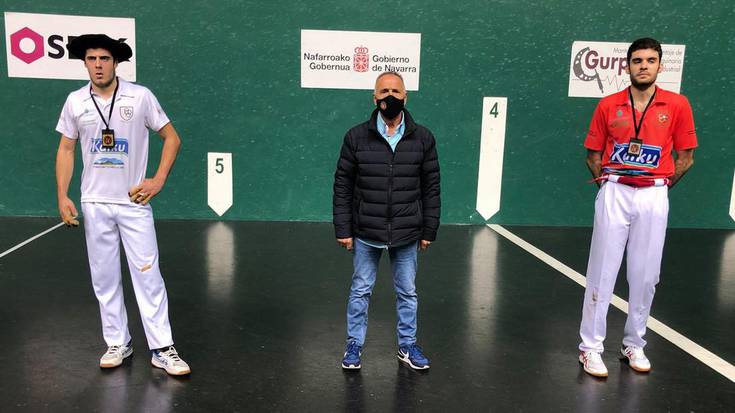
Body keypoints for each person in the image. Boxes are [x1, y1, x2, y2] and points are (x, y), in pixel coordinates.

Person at [55, 34, 190, 375]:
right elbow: (66, 149)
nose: (98, 65)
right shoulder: (75, 101)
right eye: (92, 59)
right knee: (104, 278)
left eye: (104, 59)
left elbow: (172, 138)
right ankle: (118, 342)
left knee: (148, 275)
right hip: (94, 203)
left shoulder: (140, 96)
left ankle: (162, 348)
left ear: (115, 63)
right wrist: (62, 194)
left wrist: (158, 180)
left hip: (133, 202)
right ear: (85, 63)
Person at [578, 38, 697, 377]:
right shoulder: (608, 105)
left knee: (646, 276)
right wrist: (610, 185)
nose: (643, 66)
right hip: (614, 190)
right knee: (601, 272)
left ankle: (634, 343)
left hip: (654, 195)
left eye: (650, 60)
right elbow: (593, 155)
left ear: (660, 65)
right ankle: (590, 348)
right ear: (627, 66)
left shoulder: (677, 104)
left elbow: (686, 157)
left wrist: (660, 186)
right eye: (637, 60)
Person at [333, 71, 441, 370]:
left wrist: (429, 229)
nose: (389, 96)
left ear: (405, 97)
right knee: (360, 291)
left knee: (407, 292)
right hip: (366, 231)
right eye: (384, 92)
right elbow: (343, 184)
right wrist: (343, 228)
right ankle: (354, 345)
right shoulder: (355, 137)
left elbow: (431, 187)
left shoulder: (423, 138)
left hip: (406, 232)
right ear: (374, 98)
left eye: (395, 91)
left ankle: (407, 346)